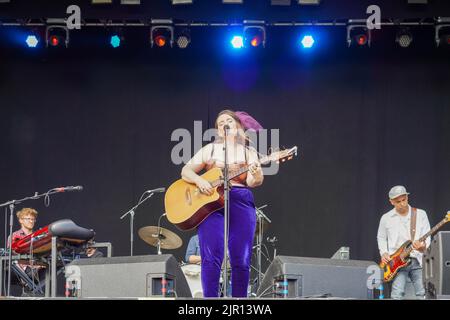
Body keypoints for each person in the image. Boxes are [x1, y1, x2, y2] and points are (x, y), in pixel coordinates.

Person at [181, 109, 264, 298]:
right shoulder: (209, 149)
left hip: (240, 199)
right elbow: (186, 171)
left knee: (241, 258)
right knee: (211, 257)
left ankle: (238, 302)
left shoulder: (249, 152)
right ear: (219, 130)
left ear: (237, 126)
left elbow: (253, 182)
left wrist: (257, 173)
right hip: (210, 203)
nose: (224, 124)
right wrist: (200, 181)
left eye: (229, 121)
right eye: (220, 123)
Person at [377, 185, 431, 299]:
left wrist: (422, 247)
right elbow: (381, 237)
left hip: (418, 259)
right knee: (397, 294)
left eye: (404, 199)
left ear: (407, 197)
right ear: (391, 202)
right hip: (397, 262)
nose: (403, 204)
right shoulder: (386, 218)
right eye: (398, 201)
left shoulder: (421, 214)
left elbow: (427, 236)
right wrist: (384, 253)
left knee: (422, 294)